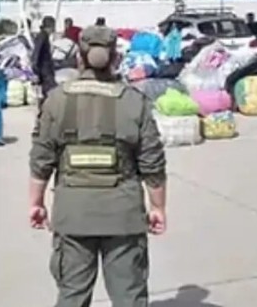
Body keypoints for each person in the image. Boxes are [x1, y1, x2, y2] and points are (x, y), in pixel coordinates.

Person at [29, 26, 168, 307]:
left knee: (72, 294)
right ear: (115, 58)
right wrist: (158, 208)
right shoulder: (133, 101)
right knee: (129, 296)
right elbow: (152, 162)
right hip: (124, 216)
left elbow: (41, 159)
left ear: (79, 59)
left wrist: (37, 202)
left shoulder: (57, 100)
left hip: (73, 215)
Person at [31, 16, 57, 107]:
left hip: (46, 69)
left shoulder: (44, 36)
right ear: (50, 26)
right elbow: (36, 53)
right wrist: (36, 70)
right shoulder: (42, 36)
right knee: (50, 92)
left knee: (48, 92)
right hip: (44, 70)